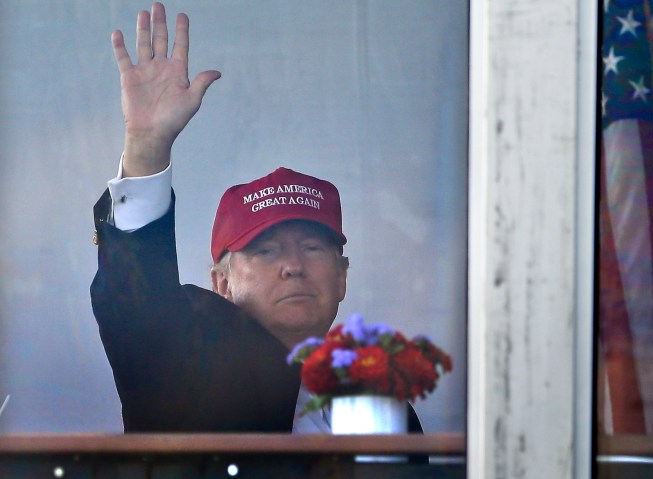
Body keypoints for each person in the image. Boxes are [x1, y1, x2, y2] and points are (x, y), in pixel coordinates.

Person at [91, 3, 422, 434]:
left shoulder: (385, 406)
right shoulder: (181, 359)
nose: (293, 266)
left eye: (312, 247)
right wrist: (146, 148)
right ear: (222, 283)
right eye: (265, 250)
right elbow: (134, 300)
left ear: (342, 276)